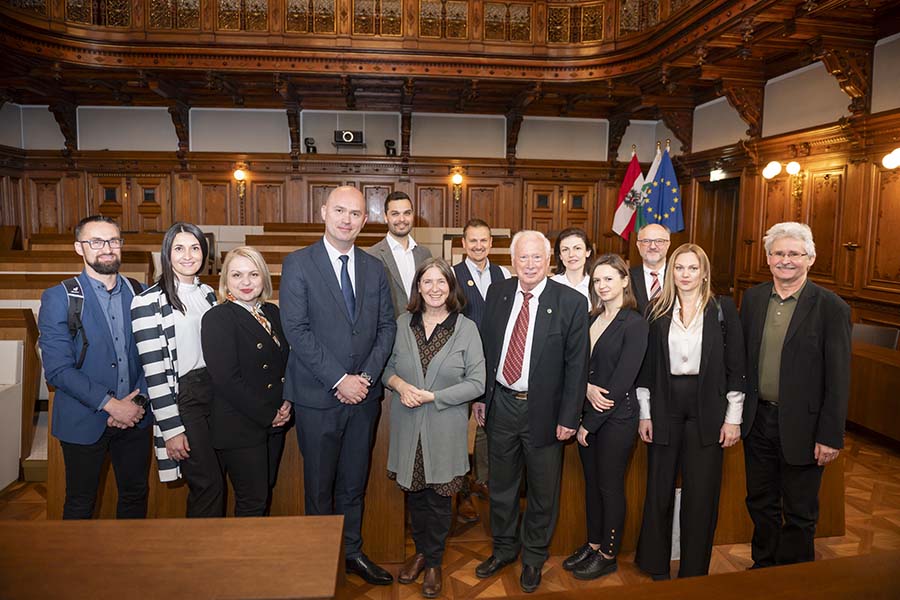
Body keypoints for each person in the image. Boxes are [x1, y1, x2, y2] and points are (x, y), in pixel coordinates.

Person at [280, 185, 397, 585]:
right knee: (319, 486)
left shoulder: (374, 268)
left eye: (356, 213)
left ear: (365, 220)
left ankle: (351, 552)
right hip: (318, 397)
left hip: (363, 398)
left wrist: (363, 379)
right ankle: (319, 561)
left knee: (353, 482)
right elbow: (296, 329)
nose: (347, 219)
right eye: (340, 211)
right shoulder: (298, 263)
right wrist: (338, 379)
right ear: (324, 211)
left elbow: (386, 328)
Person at [472, 230, 589, 594]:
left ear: (549, 259)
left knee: (542, 490)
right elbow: (488, 348)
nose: (530, 264)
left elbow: (577, 366)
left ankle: (534, 556)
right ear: (512, 260)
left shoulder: (570, 302)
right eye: (523, 258)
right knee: (502, 485)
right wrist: (481, 396)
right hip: (501, 404)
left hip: (545, 411)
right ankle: (505, 549)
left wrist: (569, 417)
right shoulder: (499, 292)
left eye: (537, 257)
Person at [741, 222, 850, 568]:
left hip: (805, 426)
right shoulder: (754, 299)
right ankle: (764, 568)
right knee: (760, 501)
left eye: (794, 254)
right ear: (768, 258)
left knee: (800, 511)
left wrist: (830, 436)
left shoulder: (831, 307)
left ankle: (794, 579)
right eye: (778, 253)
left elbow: (838, 378)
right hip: (757, 421)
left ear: (810, 258)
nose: (785, 260)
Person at [634, 243, 746, 579]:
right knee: (659, 487)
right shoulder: (657, 309)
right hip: (666, 402)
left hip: (708, 405)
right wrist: (645, 412)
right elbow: (647, 367)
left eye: (692, 268)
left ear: (704, 272)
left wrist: (733, 418)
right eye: (679, 268)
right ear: (672, 272)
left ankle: (694, 570)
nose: (685, 275)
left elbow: (736, 365)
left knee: (702, 491)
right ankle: (654, 564)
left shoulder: (722, 308)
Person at [384, 257, 486, 598]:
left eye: (441, 282)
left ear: (451, 287)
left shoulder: (466, 328)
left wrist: (434, 396)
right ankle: (422, 552)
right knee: (415, 497)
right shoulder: (401, 324)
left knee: (441, 501)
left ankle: (433, 564)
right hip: (408, 428)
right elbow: (385, 368)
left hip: (445, 428)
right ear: (418, 288)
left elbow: (477, 383)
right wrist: (399, 385)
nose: (434, 288)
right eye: (427, 282)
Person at [38, 215, 149, 519]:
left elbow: (155, 357)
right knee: (79, 503)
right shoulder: (59, 297)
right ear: (79, 248)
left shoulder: (142, 293)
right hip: (84, 418)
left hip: (135, 416)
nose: (107, 248)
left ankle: (129, 564)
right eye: (96, 242)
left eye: (113, 240)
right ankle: (76, 568)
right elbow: (58, 370)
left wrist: (136, 403)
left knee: (135, 496)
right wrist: (112, 405)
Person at [132, 222, 222, 517]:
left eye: (195, 248)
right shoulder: (147, 301)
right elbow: (154, 371)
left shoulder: (209, 293)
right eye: (179, 248)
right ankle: (198, 558)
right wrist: (171, 430)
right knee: (206, 482)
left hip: (214, 393)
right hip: (184, 398)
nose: (188, 255)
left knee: (217, 479)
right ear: (166, 253)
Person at [567, 254, 648, 579]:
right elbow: (578, 367)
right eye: (597, 280)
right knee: (592, 486)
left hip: (616, 419)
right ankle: (594, 542)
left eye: (609, 279)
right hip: (589, 415)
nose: (602, 285)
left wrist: (589, 424)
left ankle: (609, 553)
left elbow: (622, 379)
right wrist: (584, 389)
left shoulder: (635, 323)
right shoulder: (591, 318)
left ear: (624, 281)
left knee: (610, 487)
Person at [201, 247, 291, 517]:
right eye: (237, 275)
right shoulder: (218, 317)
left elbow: (284, 365)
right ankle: (242, 560)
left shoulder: (272, 313)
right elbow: (226, 379)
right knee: (252, 501)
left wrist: (287, 401)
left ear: (263, 277)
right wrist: (269, 414)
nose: (246, 282)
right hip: (239, 426)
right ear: (225, 281)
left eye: (253, 274)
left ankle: (252, 557)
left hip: (273, 423)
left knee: (264, 492)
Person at [452, 218, 510, 501]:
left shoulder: (503, 273)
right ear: (463, 244)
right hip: (461, 362)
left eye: (483, 240)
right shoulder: (452, 274)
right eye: (472, 240)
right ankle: (456, 480)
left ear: (491, 243)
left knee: (488, 421)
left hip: (495, 360)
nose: (478, 245)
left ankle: (484, 480)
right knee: (457, 421)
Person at [369, 191, 433, 318]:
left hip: (423, 328)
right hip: (390, 330)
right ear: (386, 217)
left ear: (413, 215)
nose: (402, 219)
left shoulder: (425, 254)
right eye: (395, 214)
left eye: (407, 213)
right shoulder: (372, 256)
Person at [630, 224, 671, 315]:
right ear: (638, 245)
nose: (652, 246)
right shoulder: (627, 277)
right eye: (646, 241)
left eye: (659, 241)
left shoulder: (678, 276)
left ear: (668, 244)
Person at [550, 227, 593, 310]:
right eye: (565, 249)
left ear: (588, 252)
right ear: (560, 256)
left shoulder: (596, 284)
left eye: (577, 248)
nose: (571, 254)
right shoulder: (551, 284)